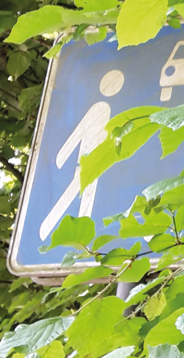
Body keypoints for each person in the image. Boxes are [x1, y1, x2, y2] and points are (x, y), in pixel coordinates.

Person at [38, 69, 123, 240]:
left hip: (96, 163)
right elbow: (79, 132)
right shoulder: (99, 108)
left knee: (85, 197)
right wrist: (63, 155)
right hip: (88, 162)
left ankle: (75, 236)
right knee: (74, 192)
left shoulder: (110, 110)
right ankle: (47, 228)